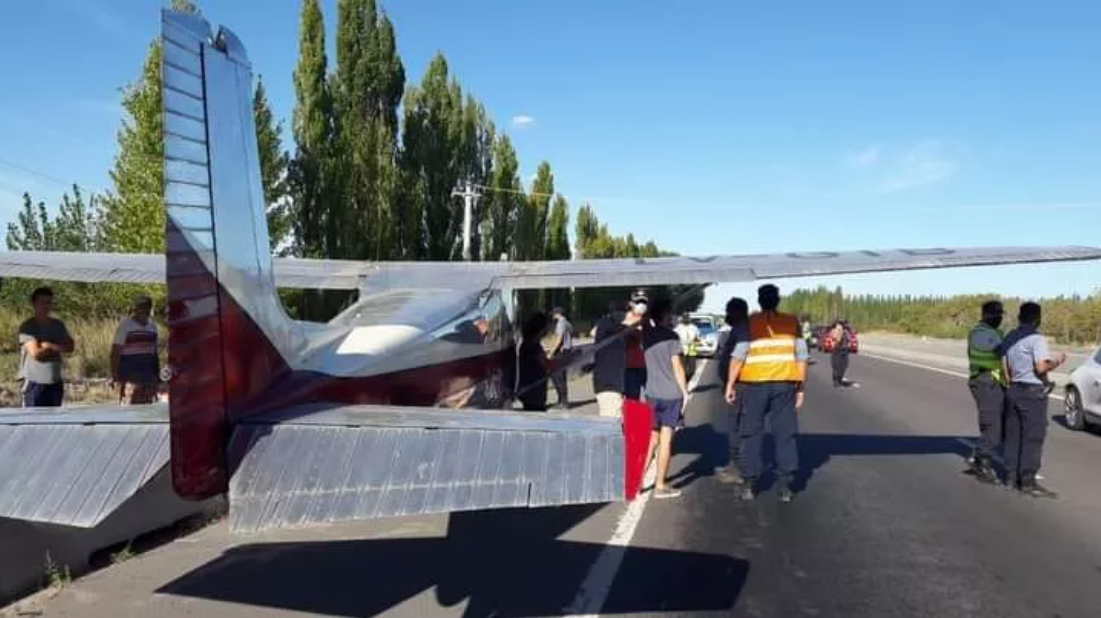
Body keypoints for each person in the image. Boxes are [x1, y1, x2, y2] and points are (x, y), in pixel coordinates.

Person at [724, 284, 808, 502]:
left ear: (759, 301)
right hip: (785, 383)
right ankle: (785, 487)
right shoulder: (791, 322)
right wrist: (800, 387)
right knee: (785, 434)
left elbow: (739, 356)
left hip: (754, 385)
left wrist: (730, 384)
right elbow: (801, 356)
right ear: (778, 300)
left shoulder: (750, 323)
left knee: (751, 433)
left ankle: (749, 485)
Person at [999, 302, 1065, 497]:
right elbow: (1041, 367)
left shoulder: (1010, 336)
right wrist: (1057, 361)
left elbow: (1004, 363)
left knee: (1013, 435)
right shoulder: (1036, 339)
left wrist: (1010, 382)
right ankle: (1027, 481)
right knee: (1032, 437)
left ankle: (1010, 476)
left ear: (1020, 317)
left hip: (1013, 390)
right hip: (1032, 393)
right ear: (1037, 319)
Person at [642, 298, 689, 499]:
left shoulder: (646, 335)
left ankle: (635, 483)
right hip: (671, 395)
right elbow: (677, 367)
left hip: (651, 393)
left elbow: (640, 319)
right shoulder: (672, 337)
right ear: (665, 315)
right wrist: (685, 392)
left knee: (651, 440)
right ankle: (659, 485)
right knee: (666, 440)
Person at [966, 300, 1006, 484]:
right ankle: (982, 462)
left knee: (999, 424)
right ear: (985, 315)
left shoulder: (995, 332)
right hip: (984, 381)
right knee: (992, 426)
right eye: (994, 313)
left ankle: (978, 455)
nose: (998, 317)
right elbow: (1002, 351)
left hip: (994, 381)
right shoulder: (980, 333)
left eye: (1000, 313)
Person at [18, 286, 74, 407]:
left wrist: (49, 346)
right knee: (32, 422)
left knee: (53, 423)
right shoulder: (28, 327)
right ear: (33, 304)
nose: (46, 306)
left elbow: (70, 346)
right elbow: (36, 353)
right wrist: (59, 347)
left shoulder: (58, 325)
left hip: (55, 382)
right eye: (42, 302)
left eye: (49, 302)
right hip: (34, 383)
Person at [715, 296, 750, 484]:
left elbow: (738, 358)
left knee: (736, 426)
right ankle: (734, 464)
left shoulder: (743, 330)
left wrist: (730, 383)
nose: (727, 314)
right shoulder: (740, 329)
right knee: (735, 426)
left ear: (736, 312)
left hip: (740, 385)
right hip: (738, 384)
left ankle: (739, 468)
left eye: (729, 311)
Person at [591, 301, 641, 417]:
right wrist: (638, 318)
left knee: (618, 418)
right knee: (612, 421)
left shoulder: (615, 328)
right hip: (607, 384)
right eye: (624, 312)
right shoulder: (606, 324)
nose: (625, 315)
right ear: (615, 312)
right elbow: (628, 330)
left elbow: (635, 335)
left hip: (615, 383)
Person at [111, 294, 161, 405]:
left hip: (148, 376)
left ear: (150, 308)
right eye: (140, 307)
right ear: (135, 308)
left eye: (146, 307)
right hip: (129, 376)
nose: (143, 310)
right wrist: (115, 376)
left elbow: (154, 353)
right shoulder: (125, 325)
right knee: (130, 408)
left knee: (148, 409)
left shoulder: (153, 326)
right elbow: (115, 351)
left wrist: (157, 376)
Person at [517, 312, 551, 412]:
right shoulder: (532, 346)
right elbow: (547, 364)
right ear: (541, 329)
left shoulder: (528, 344)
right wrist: (567, 360)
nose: (548, 330)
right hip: (534, 393)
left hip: (531, 391)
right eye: (546, 327)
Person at [623, 290, 649, 400]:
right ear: (632, 303)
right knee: (633, 401)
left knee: (648, 401)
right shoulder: (625, 319)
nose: (641, 304)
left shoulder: (650, 321)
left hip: (647, 367)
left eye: (644, 302)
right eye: (638, 301)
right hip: (630, 367)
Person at [548, 307, 573, 409]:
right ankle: (562, 400)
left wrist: (551, 353)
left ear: (557, 313)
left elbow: (559, 339)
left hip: (561, 352)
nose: (553, 315)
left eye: (553, 314)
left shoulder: (561, 323)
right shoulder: (568, 323)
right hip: (566, 352)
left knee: (558, 377)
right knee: (561, 377)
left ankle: (563, 402)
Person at [674, 315, 700, 381]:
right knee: (682, 367)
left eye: (687, 319)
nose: (686, 320)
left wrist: (696, 341)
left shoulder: (694, 327)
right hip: (681, 348)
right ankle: (683, 380)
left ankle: (687, 379)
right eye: (685, 319)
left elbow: (697, 337)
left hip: (691, 348)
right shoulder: (678, 328)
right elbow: (674, 338)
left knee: (692, 369)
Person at [829, 320, 855, 387]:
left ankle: (839, 378)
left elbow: (849, 339)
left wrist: (849, 344)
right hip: (836, 350)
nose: (839, 328)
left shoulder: (845, 332)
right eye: (838, 326)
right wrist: (836, 337)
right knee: (836, 366)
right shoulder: (833, 331)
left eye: (841, 326)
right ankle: (836, 381)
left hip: (844, 350)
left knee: (844, 365)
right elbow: (833, 339)